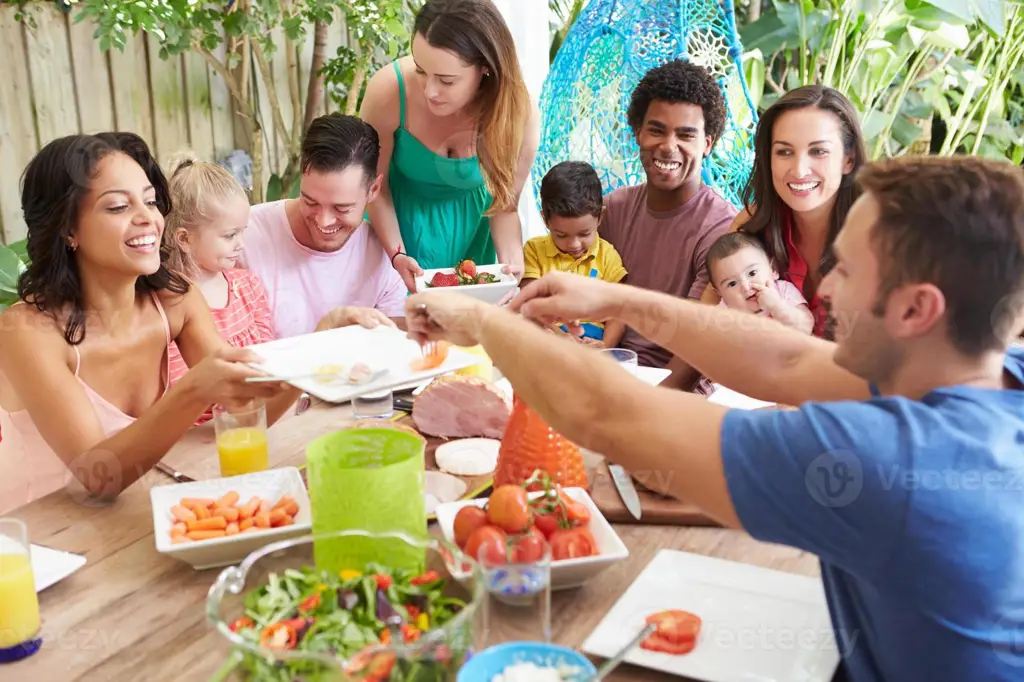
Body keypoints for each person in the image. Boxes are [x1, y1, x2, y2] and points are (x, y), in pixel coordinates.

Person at [404, 154, 1024, 680]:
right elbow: (786, 360)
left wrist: (484, 321)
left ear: (918, 309)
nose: (826, 288)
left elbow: (612, 414)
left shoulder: (894, 458)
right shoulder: (985, 369)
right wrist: (620, 299)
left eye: (850, 271)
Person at [0, 133, 295, 512]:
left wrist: (317, 351)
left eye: (151, 201)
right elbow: (95, 474)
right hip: (38, 536)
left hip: (129, 512)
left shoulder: (174, 300)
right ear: (68, 229)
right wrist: (193, 391)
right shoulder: (26, 331)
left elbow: (246, 412)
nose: (148, 219)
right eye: (119, 206)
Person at [360, 0, 539, 292]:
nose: (430, 91)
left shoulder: (519, 113)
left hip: (470, 245)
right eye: (420, 70)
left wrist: (512, 265)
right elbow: (373, 191)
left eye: (446, 80)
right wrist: (397, 254)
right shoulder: (389, 93)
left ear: (486, 69)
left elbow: (505, 207)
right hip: (391, 238)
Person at [599, 59, 737, 370]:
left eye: (686, 135)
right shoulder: (612, 210)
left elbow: (695, 348)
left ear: (707, 144)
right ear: (637, 133)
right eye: (656, 131)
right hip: (607, 368)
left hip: (677, 385)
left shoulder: (721, 228)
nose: (668, 146)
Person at [700, 84, 866, 336]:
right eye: (784, 151)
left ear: (848, 159)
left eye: (818, 151)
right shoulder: (752, 223)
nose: (799, 170)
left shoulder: (879, 233)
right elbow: (704, 324)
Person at [241, 113, 406, 338]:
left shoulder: (382, 255)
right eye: (310, 202)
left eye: (342, 208)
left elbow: (392, 350)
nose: (323, 221)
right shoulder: (244, 236)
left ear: (373, 190)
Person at [522, 161, 627, 347]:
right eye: (561, 235)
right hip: (547, 341)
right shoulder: (534, 252)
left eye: (585, 234)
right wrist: (560, 338)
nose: (574, 244)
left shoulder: (608, 255)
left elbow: (618, 314)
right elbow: (532, 307)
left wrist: (605, 345)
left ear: (600, 218)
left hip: (594, 344)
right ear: (545, 220)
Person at [705, 231, 812, 333]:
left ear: (773, 269)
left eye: (752, 273)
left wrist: (777, 307)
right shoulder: (724, 312)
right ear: (719, 293)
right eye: (732, 283)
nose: (746, 287)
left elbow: (806, 327)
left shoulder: (783, 292)